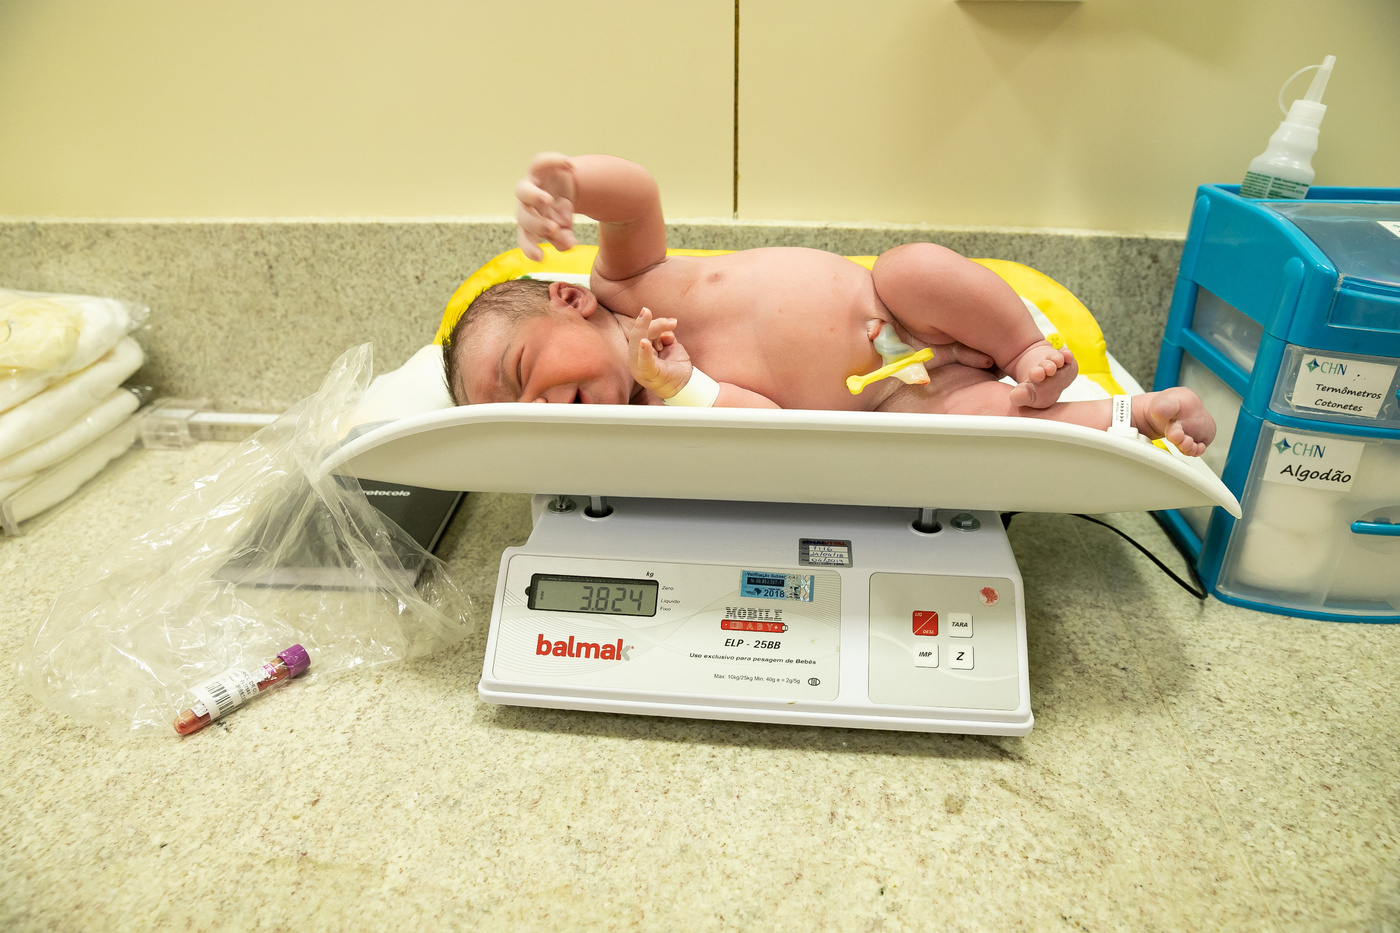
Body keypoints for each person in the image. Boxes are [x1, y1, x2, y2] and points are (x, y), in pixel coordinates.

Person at [443, 152, 1215, 455]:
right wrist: (684, 386)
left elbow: (636, 196)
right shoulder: (655, 415)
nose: (538, 406)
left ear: (570, 300)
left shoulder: (625, 281)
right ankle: (1135, 415)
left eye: (521, 373)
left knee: (915, 268)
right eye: (515, 417)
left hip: (902, 308)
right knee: (975, 426)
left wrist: (572, 184)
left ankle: (1022, 348)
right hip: (894, 398)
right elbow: (766, 423)